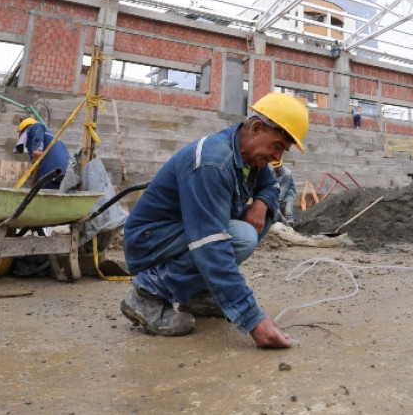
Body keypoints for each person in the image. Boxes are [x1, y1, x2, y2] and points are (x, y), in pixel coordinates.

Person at [121, 92, 309, 348]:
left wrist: (261, 204)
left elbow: (272, 187)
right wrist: (253, 320)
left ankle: (198, 294)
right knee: (239, 237)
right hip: (150, 239)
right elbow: (210, 245)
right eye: (277, 146)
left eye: (283, 151)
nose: (277, 157)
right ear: (256, 128)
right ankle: (147, 293)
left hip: (181, 233)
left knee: (248, 226)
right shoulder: (213, 162)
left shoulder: (251, 157)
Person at [15, 118, 71, 190]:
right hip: (64, 175)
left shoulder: (34, 127)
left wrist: (38, 148)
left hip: (48, 174)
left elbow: (37, 127)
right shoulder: (55, 139)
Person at [271, 159, 297, 225]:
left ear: (281, 165)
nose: (276, 169)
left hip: (288, 192)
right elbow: (271, 184)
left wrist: (278, 200)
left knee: (288, 210)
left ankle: (290, 225)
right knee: (276, 214)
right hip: (278, 192)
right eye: (275, 167)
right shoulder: (272, 172)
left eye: (277, 167)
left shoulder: (287, 173)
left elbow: (284, 188)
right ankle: (279, 227)